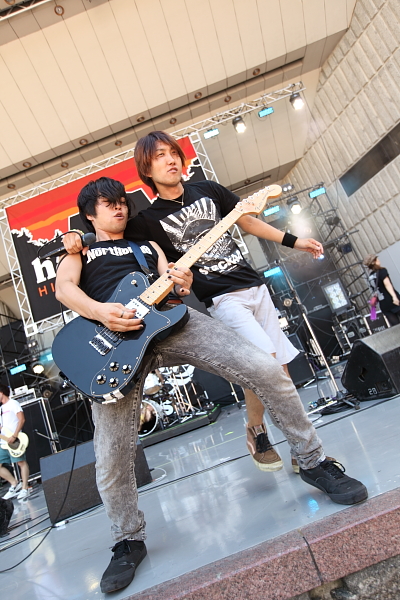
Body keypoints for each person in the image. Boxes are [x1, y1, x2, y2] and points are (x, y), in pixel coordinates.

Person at [56, 177, 367, 594]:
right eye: (107, 203)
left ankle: (313, 462)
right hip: (115, 349)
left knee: (265, 367)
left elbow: (174, 280)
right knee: (111, 453)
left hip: (171, 324)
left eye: (121, 202)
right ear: (88, 214)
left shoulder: (146, 246)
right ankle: (127, 540)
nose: (119, 208)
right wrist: (100, 312)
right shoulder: (80, 250)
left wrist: (181, 282)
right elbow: (64, 289)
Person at [63, 131, 324, 474]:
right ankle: (262, 432)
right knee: (266, 363)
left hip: (253, 284)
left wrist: (293, 240)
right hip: (220, 296)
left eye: (173, 152)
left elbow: (246, 220)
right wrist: (75, 236)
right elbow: (108, 237)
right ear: (146, 170)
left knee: (281, 369)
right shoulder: (146, 222)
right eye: (159, 156)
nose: (170, 159)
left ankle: (290, 445)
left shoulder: (209, 190)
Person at [0, 384, 30, 500]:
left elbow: (21, 419)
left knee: (21, 462)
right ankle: (14, 483)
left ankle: (25, 488)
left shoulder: (13, 403)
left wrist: (15, 435)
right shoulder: (1, 409)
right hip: (4, 441)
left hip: (15, 440)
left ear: (1, 392)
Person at [363, 254, 400, 326]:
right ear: (374, 262)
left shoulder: (370, 277)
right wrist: (394, 297)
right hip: (391, 299)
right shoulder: (382, 271)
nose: (379, 260)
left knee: (396, 326)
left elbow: (374, 292)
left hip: (383, 304)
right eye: (376, 259)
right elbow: (387, 284)